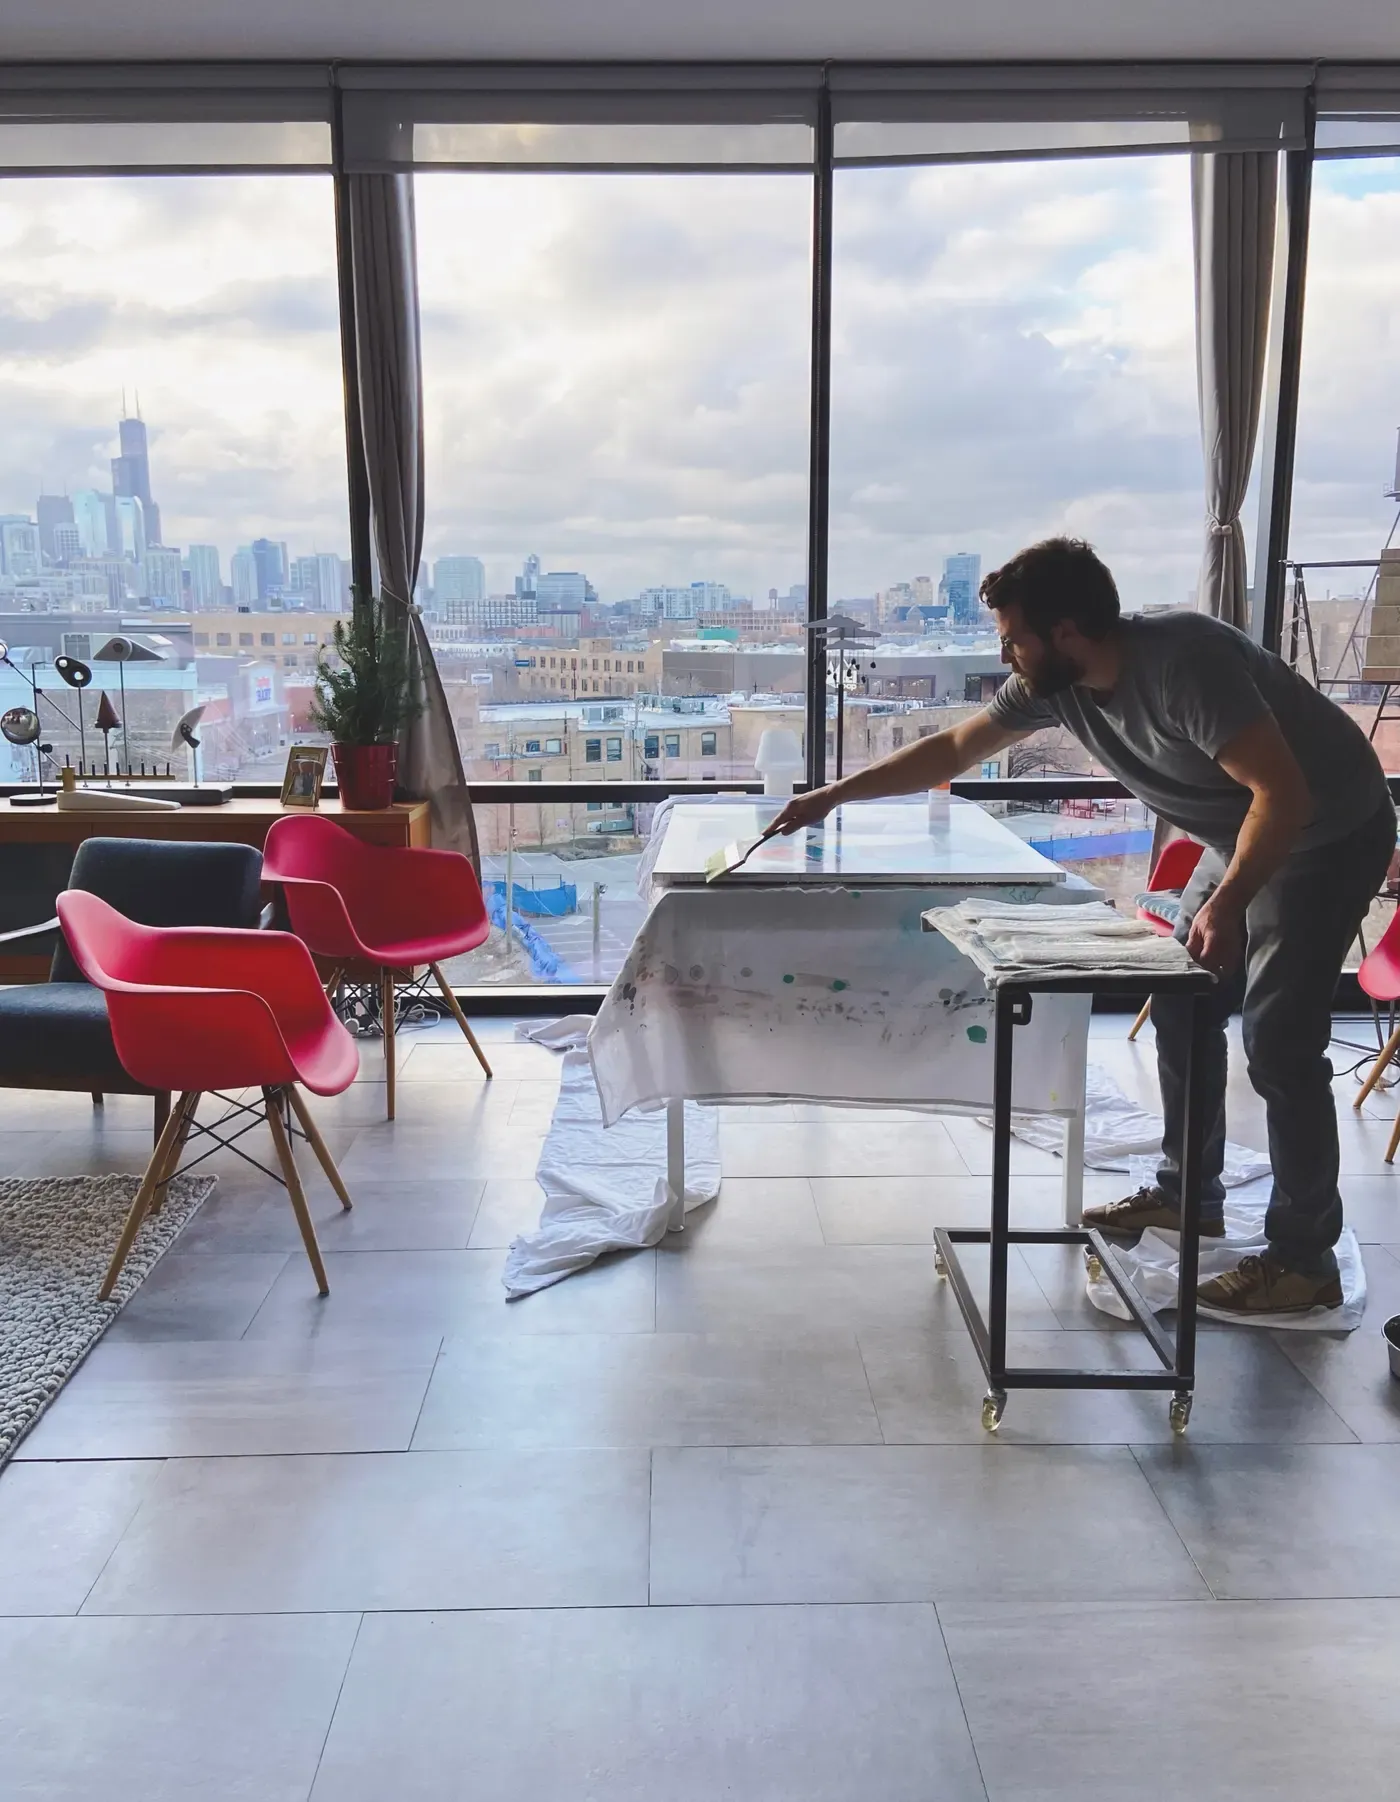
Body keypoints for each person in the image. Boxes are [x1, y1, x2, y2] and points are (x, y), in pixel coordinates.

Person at [772, 537, 1395, 1314]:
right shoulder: (1052, 685)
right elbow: (956, 746)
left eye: (1014, 636)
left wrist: (1228, 904)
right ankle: (1187, 1194)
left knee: (1279, 1043)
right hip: (1245, 830)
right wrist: (832, 796)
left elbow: (1286, 797)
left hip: (1326, 828)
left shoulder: (1185, 665)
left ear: (1068, 630)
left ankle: (1305, 1260)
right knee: (1180, 994)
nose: (1006, 654)